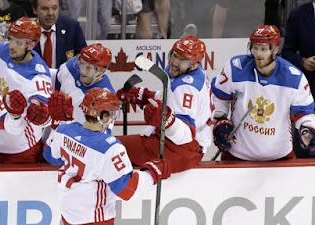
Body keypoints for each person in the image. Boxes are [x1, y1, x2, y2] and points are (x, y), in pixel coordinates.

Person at [43, 87, 171, 225]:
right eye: (111, 113)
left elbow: (51, 156)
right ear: (103, 116)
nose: (112, 117)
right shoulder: (110, 148)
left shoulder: (65, 130)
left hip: (69, 214)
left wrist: (57, 124)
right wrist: (153, 172)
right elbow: (127, 190)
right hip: (93, 218)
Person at [212, 25, 315, 161]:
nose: (258, 54)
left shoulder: (294, 78)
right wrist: (221, 120)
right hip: (237, 154)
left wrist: (308, 130)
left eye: (263, 49)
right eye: (255, 48)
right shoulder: (235, 68)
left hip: (279, 156)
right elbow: (219, 96)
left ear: (276, 49)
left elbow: (305, 112)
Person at [116, 36, 213, 173]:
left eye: (182, 60)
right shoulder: (184, 72)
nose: (175, 62)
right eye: (174, 55)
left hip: (182, 150)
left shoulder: (186, 88)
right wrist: (146, 96)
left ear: (194, 64)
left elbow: (185, 135)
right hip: (176, 144)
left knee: (111, 149)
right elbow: (171, 98)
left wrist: (166, 119)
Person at [0, 17, 54, 163]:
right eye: (11, 39)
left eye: (18, 43)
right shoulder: (0, 51)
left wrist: (42, 115)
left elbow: (44, 116)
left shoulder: (38, 76)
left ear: (32, 44)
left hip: (18, 148)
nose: (11, 46)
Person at [282, 0, 315, 158]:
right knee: (306, 146)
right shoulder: (298, 15)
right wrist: (303, 62)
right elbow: (286, 52)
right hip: (309, 92)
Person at [32, 0, 87, 69]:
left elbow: (84, 58)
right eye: (45, 9)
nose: (50, 13)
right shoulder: (25, 32)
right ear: (35, 10)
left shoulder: (72, 28)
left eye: (54, 8)